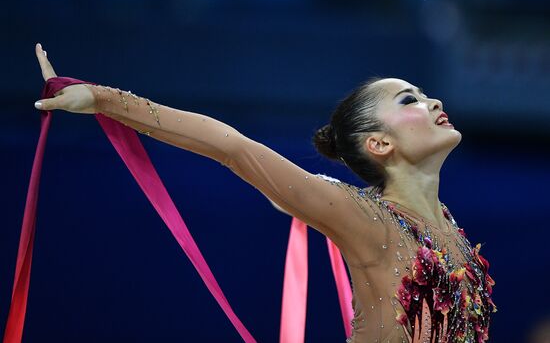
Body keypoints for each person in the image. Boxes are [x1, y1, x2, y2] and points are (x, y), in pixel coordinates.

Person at [33, 43, 496, 342]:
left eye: (424, 94)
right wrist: (102, 99)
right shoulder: (366, 219)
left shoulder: (451, 231)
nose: (433, 101)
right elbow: (233, 148)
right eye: (409, 100)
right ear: (379, 144)